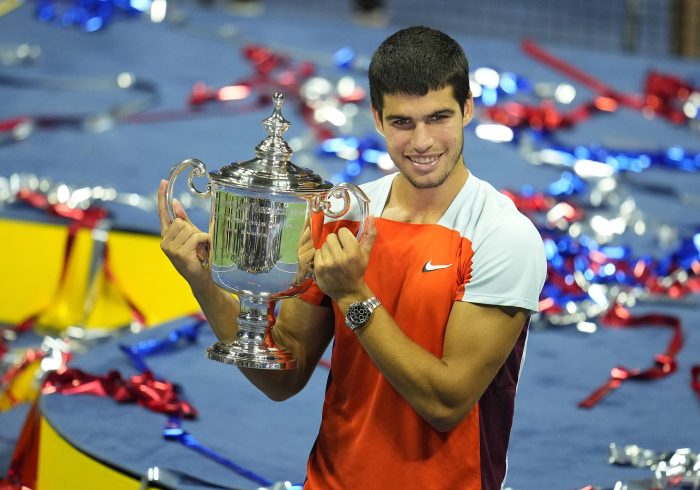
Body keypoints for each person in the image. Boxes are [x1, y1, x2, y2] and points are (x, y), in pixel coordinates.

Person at [158, 25, 547, 490]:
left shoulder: (503, 237)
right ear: (378, 120)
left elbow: (446, 403)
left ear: (467, 109)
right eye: (403, 122)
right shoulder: (343, 214)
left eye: (438, 117)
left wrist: (353, 295)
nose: (422, 141)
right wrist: (204, 282)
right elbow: (284, 374)